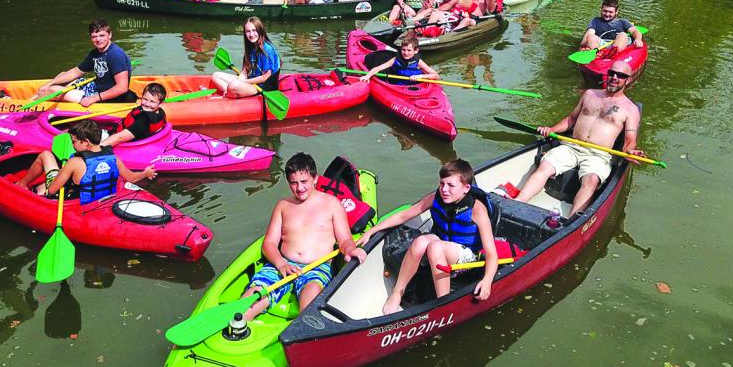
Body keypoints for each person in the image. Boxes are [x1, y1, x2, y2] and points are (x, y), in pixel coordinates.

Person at [358, 159, 497, 315]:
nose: (444, 189)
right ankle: (397, 292)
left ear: (466, 188)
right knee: (420, 242)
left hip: (467, 259)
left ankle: (444, 304)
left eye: (451, 185)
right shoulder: (436, 197)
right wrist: (371, 231)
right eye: (442, 183)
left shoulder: (477, 209)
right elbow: (403, 216)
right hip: (442, 246)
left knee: (435, 247)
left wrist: (487, 281)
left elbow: (491, 253)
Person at [514, 59, 648, 217]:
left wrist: (631, 151)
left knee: (591, 180)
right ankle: (517, 204)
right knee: (545, 166)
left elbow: (629, 141)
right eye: (611, 73)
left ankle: (571, 222)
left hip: (598, 155)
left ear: (628, 79)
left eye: (620, 75)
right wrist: (551, 129)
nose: (614, 77)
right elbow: (571, 119)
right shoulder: (590, 94)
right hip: (571, 146)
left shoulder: (630, 109)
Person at [241, 153, 367, 320]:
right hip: (282, 265)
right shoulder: (283, 205)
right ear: (288, 182)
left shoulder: (332, 204)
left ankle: (305, 336)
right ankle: (235, 329)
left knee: (310, 302)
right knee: (249, 301)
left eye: (304, 182)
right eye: (294, 183)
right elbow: (269, 243)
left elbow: (344, 239)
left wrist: (351, 249)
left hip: (316, 268)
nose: (299, 188)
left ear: (315, 178)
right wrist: (281, 264)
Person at [18, 119, 157, 200]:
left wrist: (47, 184)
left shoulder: (75, 162)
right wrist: (145, 173)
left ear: (85, 142)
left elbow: (53, 190)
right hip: (96, 198)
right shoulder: (114, 158)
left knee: (45, 155)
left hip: (71, 198)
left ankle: (22, 184)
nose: (72, 145)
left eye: (74, 142)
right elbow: (131, 178)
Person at [35, 19, 136, 107]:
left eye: (102, 35)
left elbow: (122, 88)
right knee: (60, 77)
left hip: (106, 97)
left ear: (110, 35)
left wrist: (94, 98)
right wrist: (49, 83)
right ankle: (34, 99)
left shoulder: (115, 54)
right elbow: (76, 72)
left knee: (53, 91)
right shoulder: (95, 53)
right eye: (94, 36)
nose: (98, 39)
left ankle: (30, 105)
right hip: (96, 88)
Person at [210, 16, 281, 98]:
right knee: (216, 76)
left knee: (233, 85)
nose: (251, 35)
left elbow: (265, 77)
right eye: (248, 31)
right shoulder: (250, 47)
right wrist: (240, 81)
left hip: (262, 87)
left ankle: (228, 95)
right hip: (251, 82)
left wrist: (244, 82)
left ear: (260, 30)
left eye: (254, 30)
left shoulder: (267, 49)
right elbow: (244, 71)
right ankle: (230, 92)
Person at [100, 83, 168, 148]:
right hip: (117, 131)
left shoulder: (143, 120)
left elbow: (119, 138)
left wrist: (98, 147)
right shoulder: (160, 112)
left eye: (152, 101)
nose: (147, 104)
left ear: (160, 103)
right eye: (145, 99)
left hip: (120, 142)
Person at [361, 33, 438, 83]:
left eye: (409, 50)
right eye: (403, 50)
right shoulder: (396, 59)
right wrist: (368, 76)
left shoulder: (418, 62)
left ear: (416, 51)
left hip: (415, 85)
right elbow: (378, 68)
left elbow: (435, 75)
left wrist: (419, 76)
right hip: (398, 84)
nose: (405, 53)